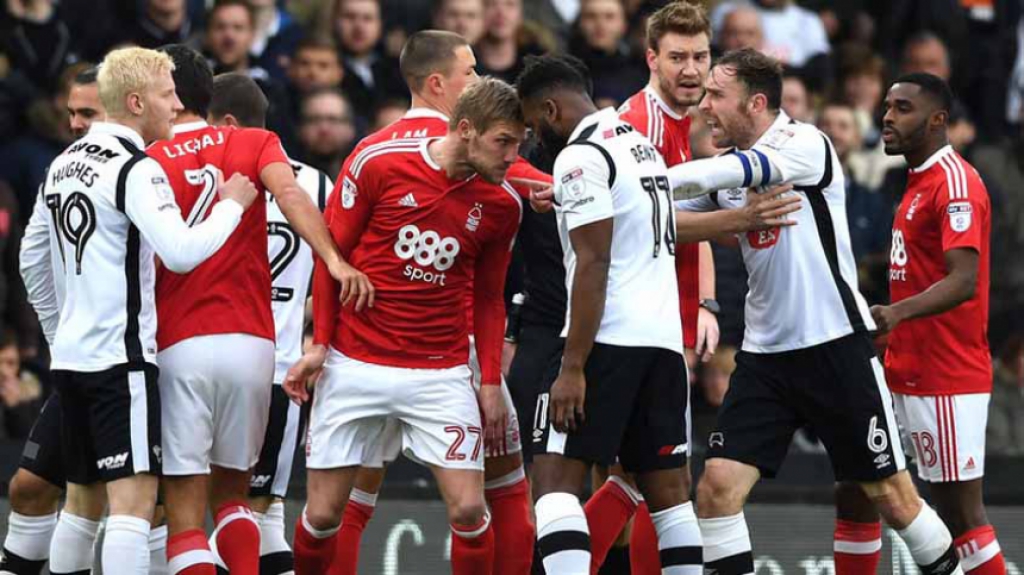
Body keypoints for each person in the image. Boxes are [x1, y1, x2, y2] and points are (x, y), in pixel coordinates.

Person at [668, 48, 964, 575]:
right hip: (765, 357)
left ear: (756, 102)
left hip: (835, 345)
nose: (704, 106)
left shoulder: (803, 142)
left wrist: (640, 182)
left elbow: (736, 171)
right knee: (715, 489)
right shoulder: (727, 168)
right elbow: (662, 215)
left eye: (717, 95)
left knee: (893, 498)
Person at [20, 46, 258, 575]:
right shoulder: (136, 168)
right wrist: (231, 206)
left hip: (73, 362)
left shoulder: (64, 161)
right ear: (134, 102)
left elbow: (31, 259)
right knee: (132, 510)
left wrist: (62, 334)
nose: (176, 105)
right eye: (166, 94)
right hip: (121, 364)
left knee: (81, 509)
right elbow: (181, 251)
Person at [316, 30, 545, 575]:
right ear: (439, 84)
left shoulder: (374, 144)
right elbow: (533, 180)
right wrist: (570, 183)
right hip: (430, 352)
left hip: (432, 355)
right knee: (507, 483)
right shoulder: (455, 148)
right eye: (471, 71)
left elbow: (332, 253)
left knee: (358, 498)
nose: (482, 79)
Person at [147, 44, 367, 575]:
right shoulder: (255, 141)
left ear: (170, 97)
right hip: (258, 347)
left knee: (181, 518)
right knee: (236, 499)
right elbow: (291, 195)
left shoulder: (145, 159)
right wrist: (333, 260)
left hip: (180, 342)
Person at [516, 52, 701, 575]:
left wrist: (572, 365)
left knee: (553, 485)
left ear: (550, 109)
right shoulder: (641, 147)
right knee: (669, 495)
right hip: (663, 344)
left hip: (606, 341)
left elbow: (595, 262)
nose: (535, 137)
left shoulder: (580, 157)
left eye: (533, 124)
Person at [3, 64, 174, 575]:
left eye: (88, 113)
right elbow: (31, 260)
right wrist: (63, 333)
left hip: (133, 356)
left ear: (123, 108)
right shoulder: (80, 165)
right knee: (89, 498)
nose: (79, 125)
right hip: (108, 358)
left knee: (122, 502)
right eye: (72, 113)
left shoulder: (142, 165)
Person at [832, 74, 1004, 575]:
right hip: (901, 365)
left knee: (961, 515)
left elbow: (965, 279)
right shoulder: (914, 182)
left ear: (937, 120)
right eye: (886, 106)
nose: (887, 117)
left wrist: (896, 312)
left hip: (945, 374)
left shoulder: (955, 182)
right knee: (858, 488)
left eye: (902, 108)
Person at [584, 3, 717, 573]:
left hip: (673, 313)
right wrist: (742, 220)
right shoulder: (637, 125)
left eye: (701, 57)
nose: (691, 69)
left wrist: (707, 302)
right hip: (630, 316)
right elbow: (653, 219)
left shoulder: (691, 123)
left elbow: (687, 214)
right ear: (651, 59)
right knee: (637, 476)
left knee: (657, 477)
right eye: (678, 57)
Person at [206, 71, 334, 575]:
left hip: (226, 358)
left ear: (230, 124)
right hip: (284, 366)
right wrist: (319, 335)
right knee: (264, 514)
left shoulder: (211, 178)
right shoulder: (316, 183)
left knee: (213, 512)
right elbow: (333, 270)